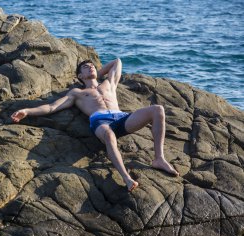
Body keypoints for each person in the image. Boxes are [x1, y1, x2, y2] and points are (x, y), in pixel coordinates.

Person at [11, 59, 179, 191]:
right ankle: (126, 178)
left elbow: (117, 62)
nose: (90, 67)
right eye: (85, 67)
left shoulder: (109, 84)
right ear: (79, 76)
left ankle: (159, 158)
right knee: (108, 135)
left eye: (92, 66)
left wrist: (95, 73)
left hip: (122, 118)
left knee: (158, 109)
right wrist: (26, 111)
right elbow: (51, 107)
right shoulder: (77, 93)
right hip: (100, 121)